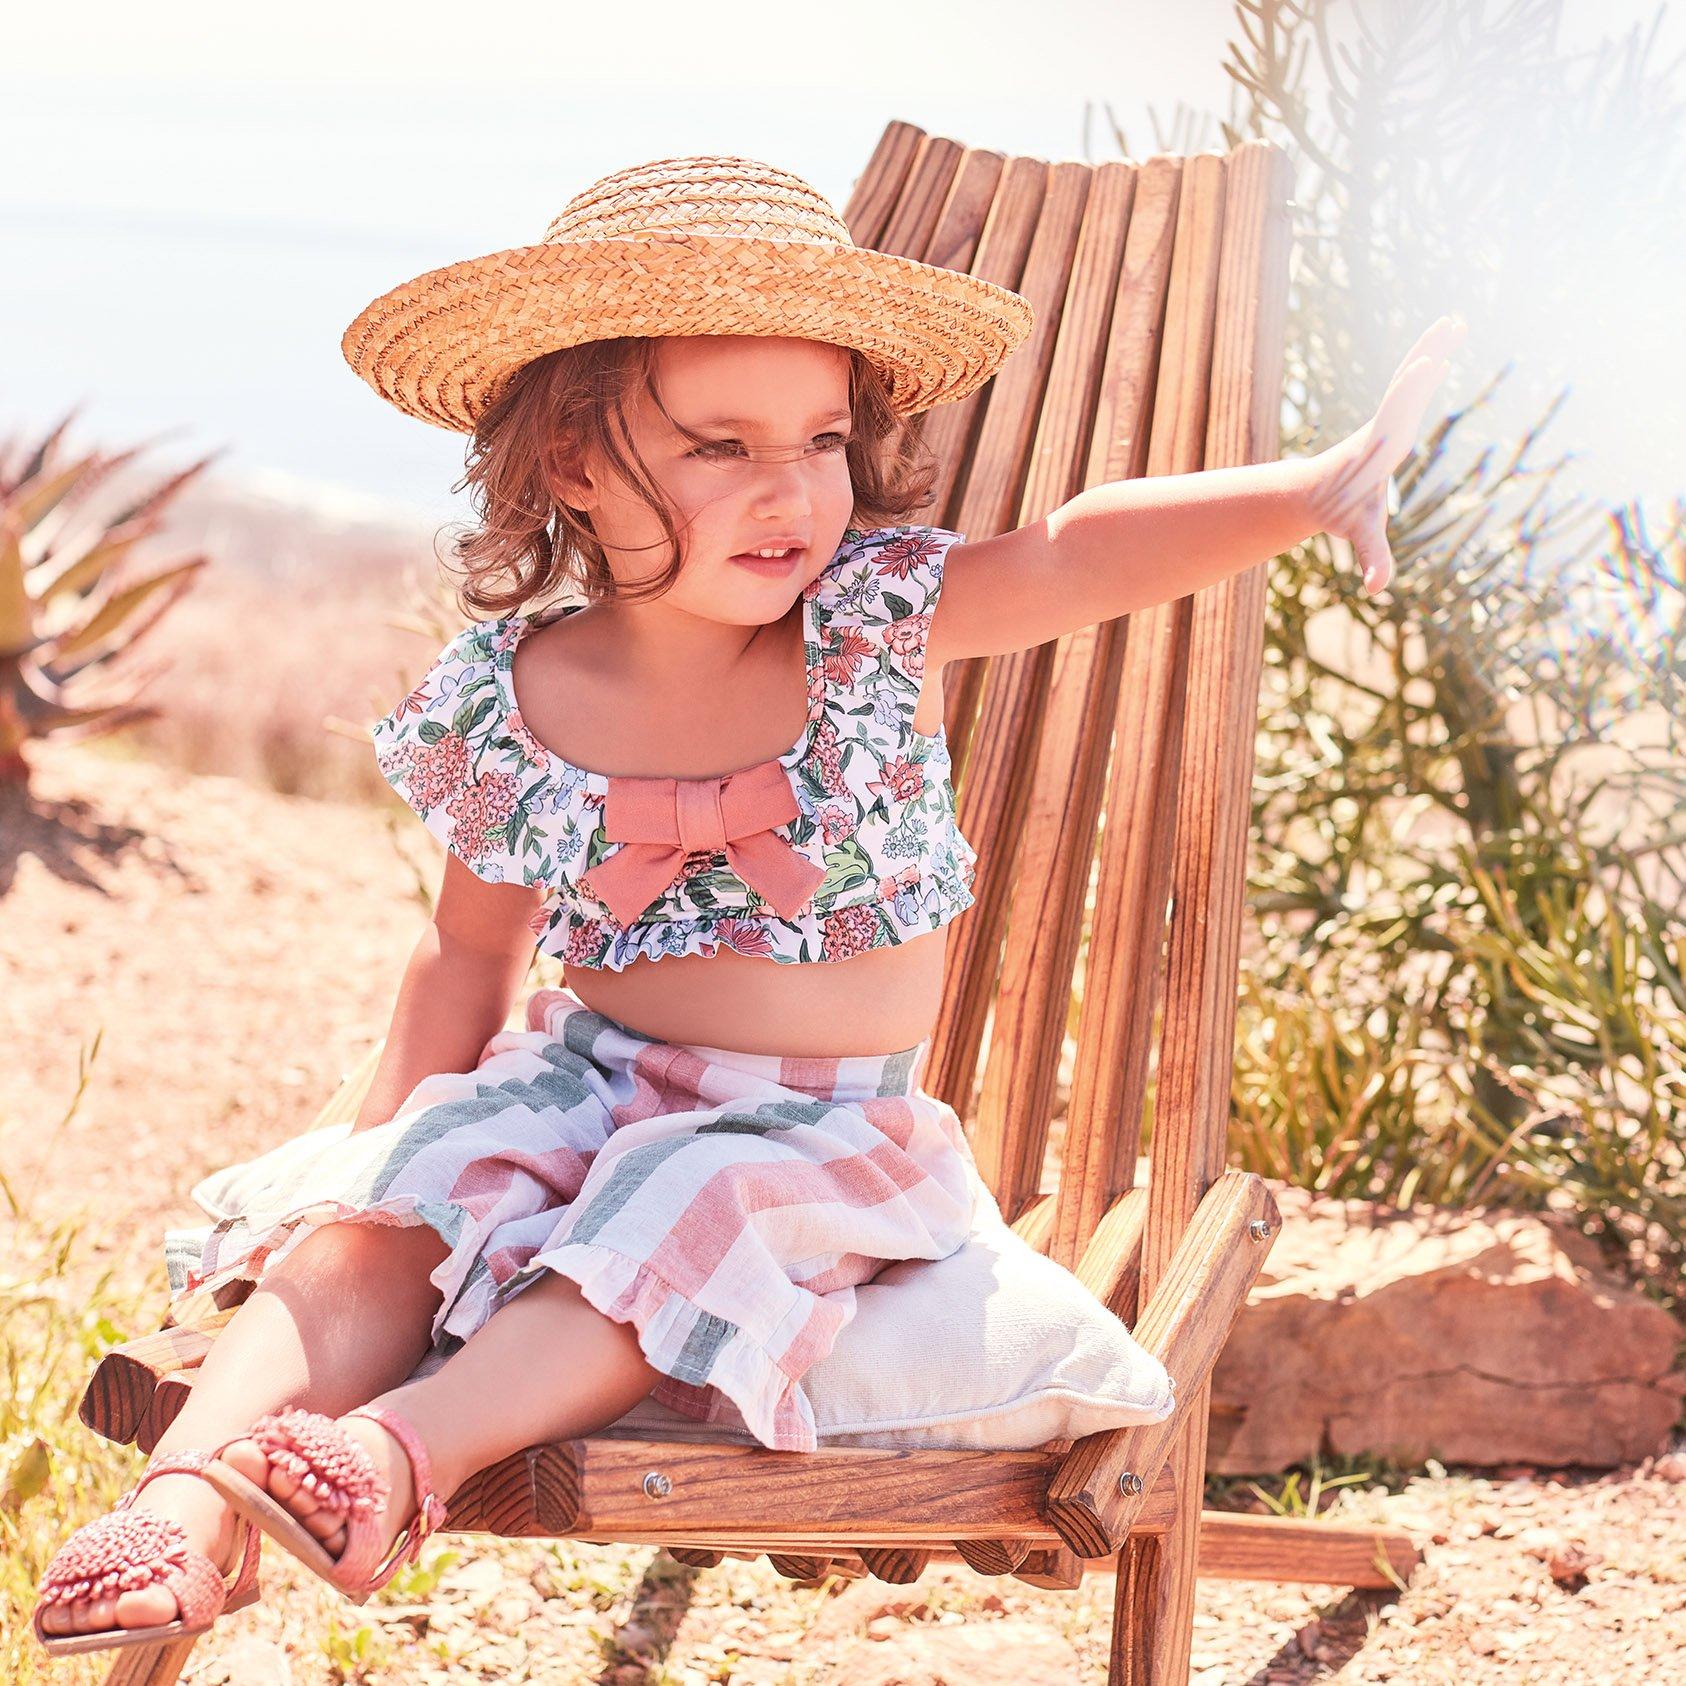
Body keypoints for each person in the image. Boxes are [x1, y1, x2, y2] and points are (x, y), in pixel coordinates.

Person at [33, 152, 1462, 1654]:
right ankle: (187, 1507)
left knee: (673, 1210)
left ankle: (401, 1455)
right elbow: (465, 954)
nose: (789, 489)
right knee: (389, 1219)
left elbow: (1074, 547)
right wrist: (378, 1152)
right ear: (572, 466)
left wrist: (1315, 486)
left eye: (824, 439)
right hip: (584, 1077)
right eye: (720, 443)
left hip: (817, 1129)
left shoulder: (874, 627)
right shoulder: (516, 695)